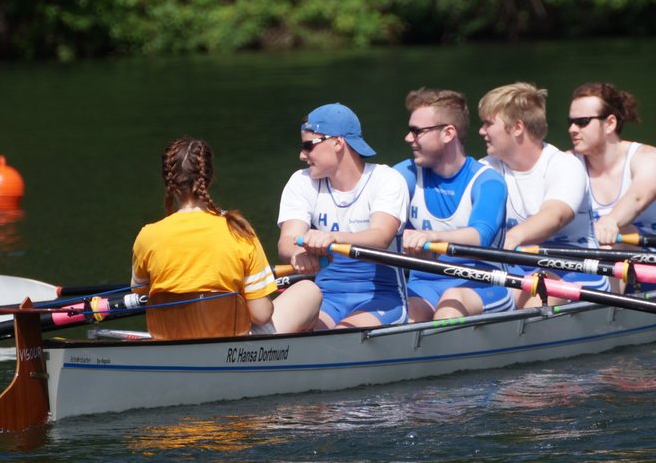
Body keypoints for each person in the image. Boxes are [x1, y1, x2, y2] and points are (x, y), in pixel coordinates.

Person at [272, 102, 410, 332]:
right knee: (282, 322)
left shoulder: (386, 179)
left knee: (339, 333)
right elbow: (288, 240)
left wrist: (332, 238)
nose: (301, 155)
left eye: (308, 146)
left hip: (381, 299)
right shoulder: (302, 182)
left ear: (337, 142)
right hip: (326, 299)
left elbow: (380, 237)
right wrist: (298, 254)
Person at [477, 82, 610, 308]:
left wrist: (512, 237)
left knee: (535, 294)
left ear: (517, 127)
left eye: (488, 124)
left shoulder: (564, 165)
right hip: (518, 267)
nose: (481, 131)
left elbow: (555, 215)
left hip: (576, 268)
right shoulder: (486, 169)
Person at [131, 137, 277, 339]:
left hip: (169, 339)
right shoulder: (238, 229)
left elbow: (139, 292)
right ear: (209, 178)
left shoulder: (147, 235)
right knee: (308, 290)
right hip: (230, 343)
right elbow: (261, 315)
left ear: (169, 181)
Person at [394, 88, 512, 321]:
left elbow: (480, 235)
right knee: (401, 315)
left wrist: (433, 237)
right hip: (424, 285)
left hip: (483, 283)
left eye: (417, 131)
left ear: (448, 133)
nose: (409, 138)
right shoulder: (405, 174)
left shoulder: (487, 181)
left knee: (449, 307)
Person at [568, 82, 656, 247]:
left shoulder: (649, 158)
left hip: (653, 264)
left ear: (610, 123)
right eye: (570, 122)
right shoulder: (566, 164)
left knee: (622, 229)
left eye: (582, 122)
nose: (572, 129)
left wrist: (611, 220)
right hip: (592, 264)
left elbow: (638, 197)